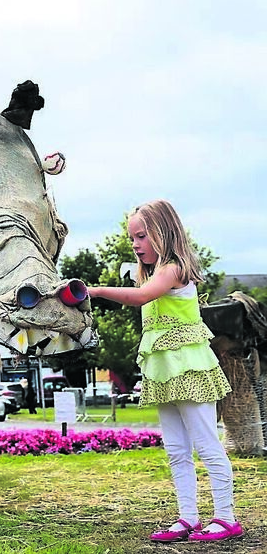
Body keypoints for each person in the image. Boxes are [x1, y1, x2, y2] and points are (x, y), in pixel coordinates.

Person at [88, 199, 242, 543]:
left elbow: (141, 297)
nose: (135, 244)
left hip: (189, 369)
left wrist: (95, 291)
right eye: (132, 238)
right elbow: (143, 291)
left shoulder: (173, 269)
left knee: (207, 444)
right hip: (164, 372)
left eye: (141, 236)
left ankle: (226, 517)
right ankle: (188, 516)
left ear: (163, 232)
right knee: (176, 449)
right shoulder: (154, 273)